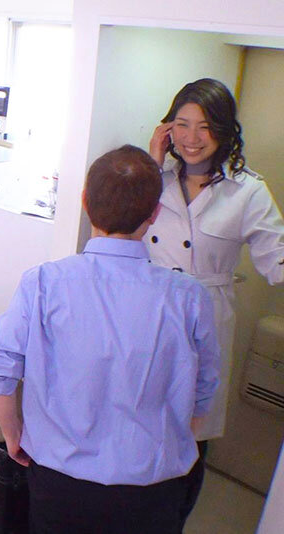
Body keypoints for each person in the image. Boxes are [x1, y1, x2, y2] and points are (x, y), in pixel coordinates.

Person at [0, 145, 221, 534]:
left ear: (85, 203)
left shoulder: (45, 283)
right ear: (154, 214)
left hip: (60, 484)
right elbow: (204, 390)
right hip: (153, 492)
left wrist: (13, 434)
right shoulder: (189, 297)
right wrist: (165, 445)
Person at [146, 78, 284, 528]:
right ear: (168, 128)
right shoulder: (154, 178)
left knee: (191, 436)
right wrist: (151, 161)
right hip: (148, 316)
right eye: (182, 124)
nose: (191, 138)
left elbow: (277, 260)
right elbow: (120, 228)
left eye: (204, 126)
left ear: (224, 131)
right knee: (142, 421)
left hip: (204, 322)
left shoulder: (247, 191)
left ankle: (172, 521)